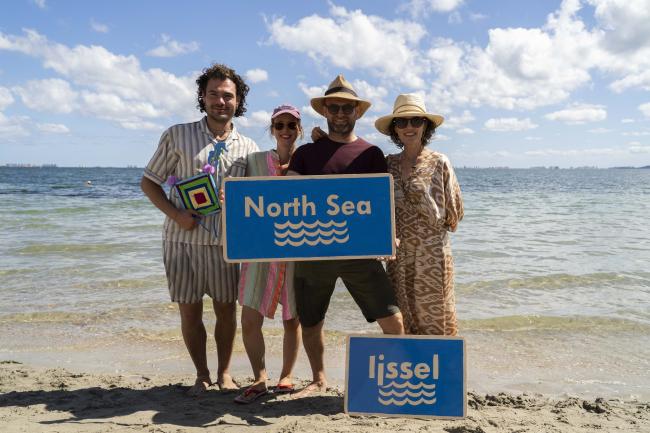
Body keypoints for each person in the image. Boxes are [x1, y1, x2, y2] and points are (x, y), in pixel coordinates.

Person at [141, 63, 259, 394]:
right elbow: (149, 183)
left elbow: (255, 202)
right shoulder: (177, 134)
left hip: (225, 244)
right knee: (190, 313)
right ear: (202, 98)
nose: (220, 101)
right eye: (213, 95)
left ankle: (224, 374)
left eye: (228, 96)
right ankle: (201, 374)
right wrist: (176, 214)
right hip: (180, 241)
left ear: (238, 101)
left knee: (225, 313)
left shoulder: (248, 147)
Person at [287, 75, 404, 396]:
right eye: (335, 107)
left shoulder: (371, 154)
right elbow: (284, 198)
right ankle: (318, 378)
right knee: (310, 323)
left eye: (347, 108)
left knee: (392, 320)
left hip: (360, 253)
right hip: (312, 252)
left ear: (358, 113)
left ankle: (394, 379)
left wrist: (388, 235)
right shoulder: (306, 154)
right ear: (325, 111)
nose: (340, 113)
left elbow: (384, 202)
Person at [374, 93, 464, 335]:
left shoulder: (440, 162)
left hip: (432, 255)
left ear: (426, 125)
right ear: (395, 129)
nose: (409, 127)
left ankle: (439, 372)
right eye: (401, 122)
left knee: (436, 323)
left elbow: (454, 216)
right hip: (398, 256)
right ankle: (410, 371)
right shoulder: (387, 164)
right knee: (403, 321)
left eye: (415, 120)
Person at [234, 104, 303, 404]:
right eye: (280, 126)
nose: (286, 131)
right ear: (272, 130)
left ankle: (286, 376)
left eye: (291, 125)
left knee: (293, 319)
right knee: (249, 318)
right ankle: (259, 378)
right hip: (260, 251)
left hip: (298, 250)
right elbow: (237, 196)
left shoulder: (310, 160)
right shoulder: (254, 161)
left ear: (299, 129)